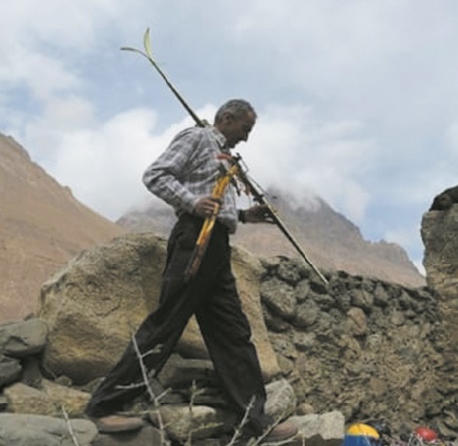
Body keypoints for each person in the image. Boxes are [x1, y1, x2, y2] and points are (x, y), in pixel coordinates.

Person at [85, 99, 298, 443]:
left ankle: (252, 422)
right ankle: (106, 404)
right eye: (245, 128)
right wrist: (191, 202)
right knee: (166, 324)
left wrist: (245, 216)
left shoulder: (224, 156)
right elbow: (154, 175)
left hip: (216, 245)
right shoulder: (198, 138)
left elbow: (218, 205)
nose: (246, 138)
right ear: (226, 119)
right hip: (194, 241)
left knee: (233, 332)